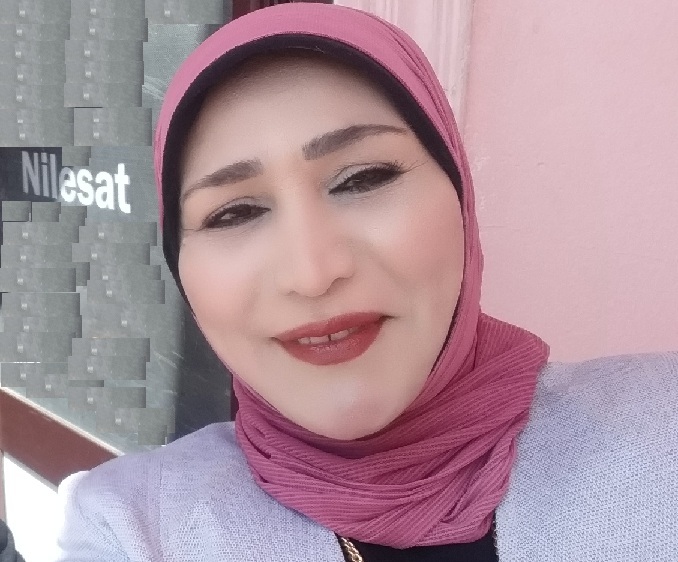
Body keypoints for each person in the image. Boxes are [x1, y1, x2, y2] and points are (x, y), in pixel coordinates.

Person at [52, 4, 678, 561]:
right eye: (234, 213)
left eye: (363, 179)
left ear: (459, 195)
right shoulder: (133, 528)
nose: (313, 274)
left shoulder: (661, 432)